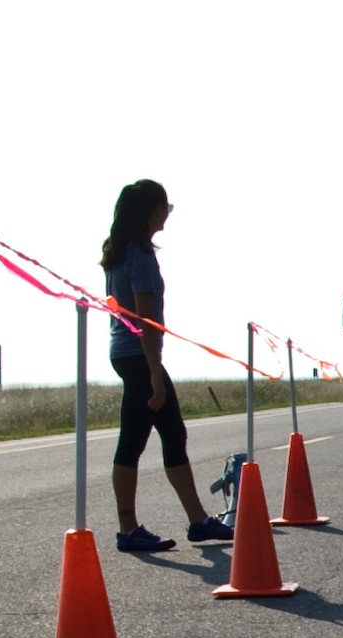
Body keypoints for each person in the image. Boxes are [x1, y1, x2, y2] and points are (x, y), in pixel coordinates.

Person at [98, 179, 229, 552]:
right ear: (150, 211)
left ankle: (197, 520)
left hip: (128, 352)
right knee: (138, 440)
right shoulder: (138, 255)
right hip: (139, 354)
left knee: (171, 434)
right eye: (164, 209)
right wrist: (156, 373)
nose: (166, 217)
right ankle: (131, 528)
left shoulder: (119, 251)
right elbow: (145, 321)